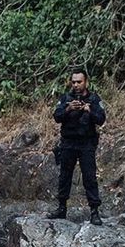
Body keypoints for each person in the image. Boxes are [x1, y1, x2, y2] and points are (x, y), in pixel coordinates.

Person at [47, 68, 107, 224]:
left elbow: (101, 119)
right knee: (64, 176)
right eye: (73, 82)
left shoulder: (94, 99)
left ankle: (94, 211)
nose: (76, 85)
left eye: (79, 82)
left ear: (86, 82)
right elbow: (57, 117)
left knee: (89, 177)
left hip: (86, 143)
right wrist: (68, 109)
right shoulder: (65, 98)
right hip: (68, 143)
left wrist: (90, 110)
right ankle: (61, 208)